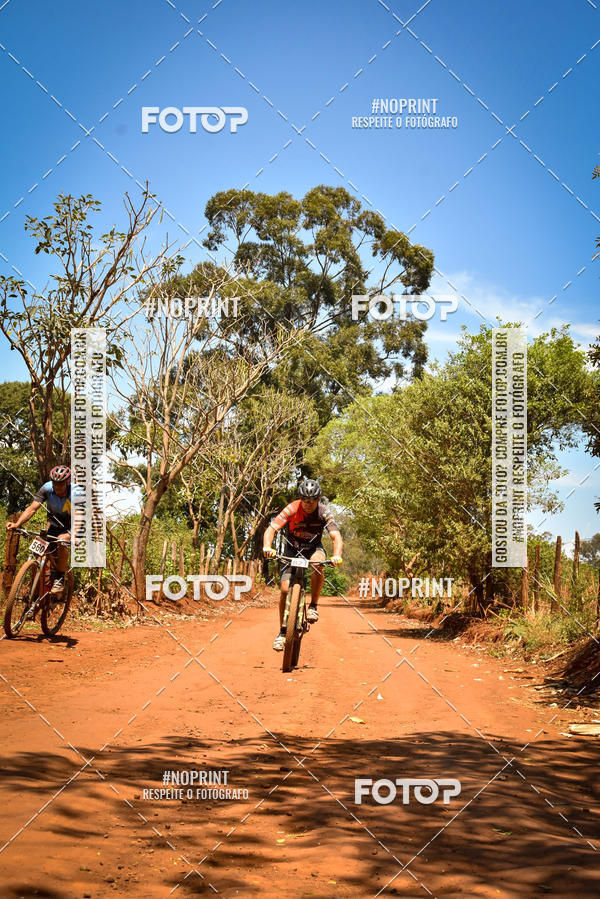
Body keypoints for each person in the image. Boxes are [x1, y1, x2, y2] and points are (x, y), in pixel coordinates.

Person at [263, 479, 343, 651]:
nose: (308, 504)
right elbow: (271, 529)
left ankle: (313, 606)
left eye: (312, 500)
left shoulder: (324, 512)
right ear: (300, 499)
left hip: (314, 549)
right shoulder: (292, 508)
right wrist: (267, 546)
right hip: (292, 550)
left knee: (317, 564)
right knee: (284, 590)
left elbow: (336, 536)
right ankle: (282, 632)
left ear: (318, 499)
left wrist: (337, 555)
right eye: (305, 500)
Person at [6, 465, 74, 594]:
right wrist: (17, 524)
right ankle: (37, 586)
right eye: (55, 484)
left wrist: (71, 535)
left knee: (61, 541)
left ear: (67, 482)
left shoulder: (76, 493)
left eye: (60, 484)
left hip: (72, 526)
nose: (57, 487)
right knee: (38, 550)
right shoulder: (47, 488)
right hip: (53, 526)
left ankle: (60, 576)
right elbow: (32, 508)